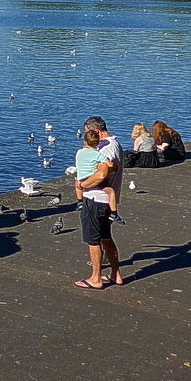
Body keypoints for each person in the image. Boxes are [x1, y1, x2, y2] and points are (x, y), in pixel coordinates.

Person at [74, 116, 125, 289]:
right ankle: (116, 273)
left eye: (89, 132)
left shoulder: (105, 149)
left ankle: (95, 278)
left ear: (95, 131)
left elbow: (102, 173)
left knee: (93, 240)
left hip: (96, 199)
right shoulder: (115, 143)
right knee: (106, 238)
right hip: (107, 200)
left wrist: (83, 185)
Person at [74, 128, 123, 224]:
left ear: (85, 141)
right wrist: (114, 166)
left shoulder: (79, 153)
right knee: (111, 192)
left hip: (81, 178)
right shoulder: (98, 154)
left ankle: (80, 202)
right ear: (97, 142)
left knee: (77, 184)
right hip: (92, 178)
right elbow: (110, 164)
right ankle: (114, 213)